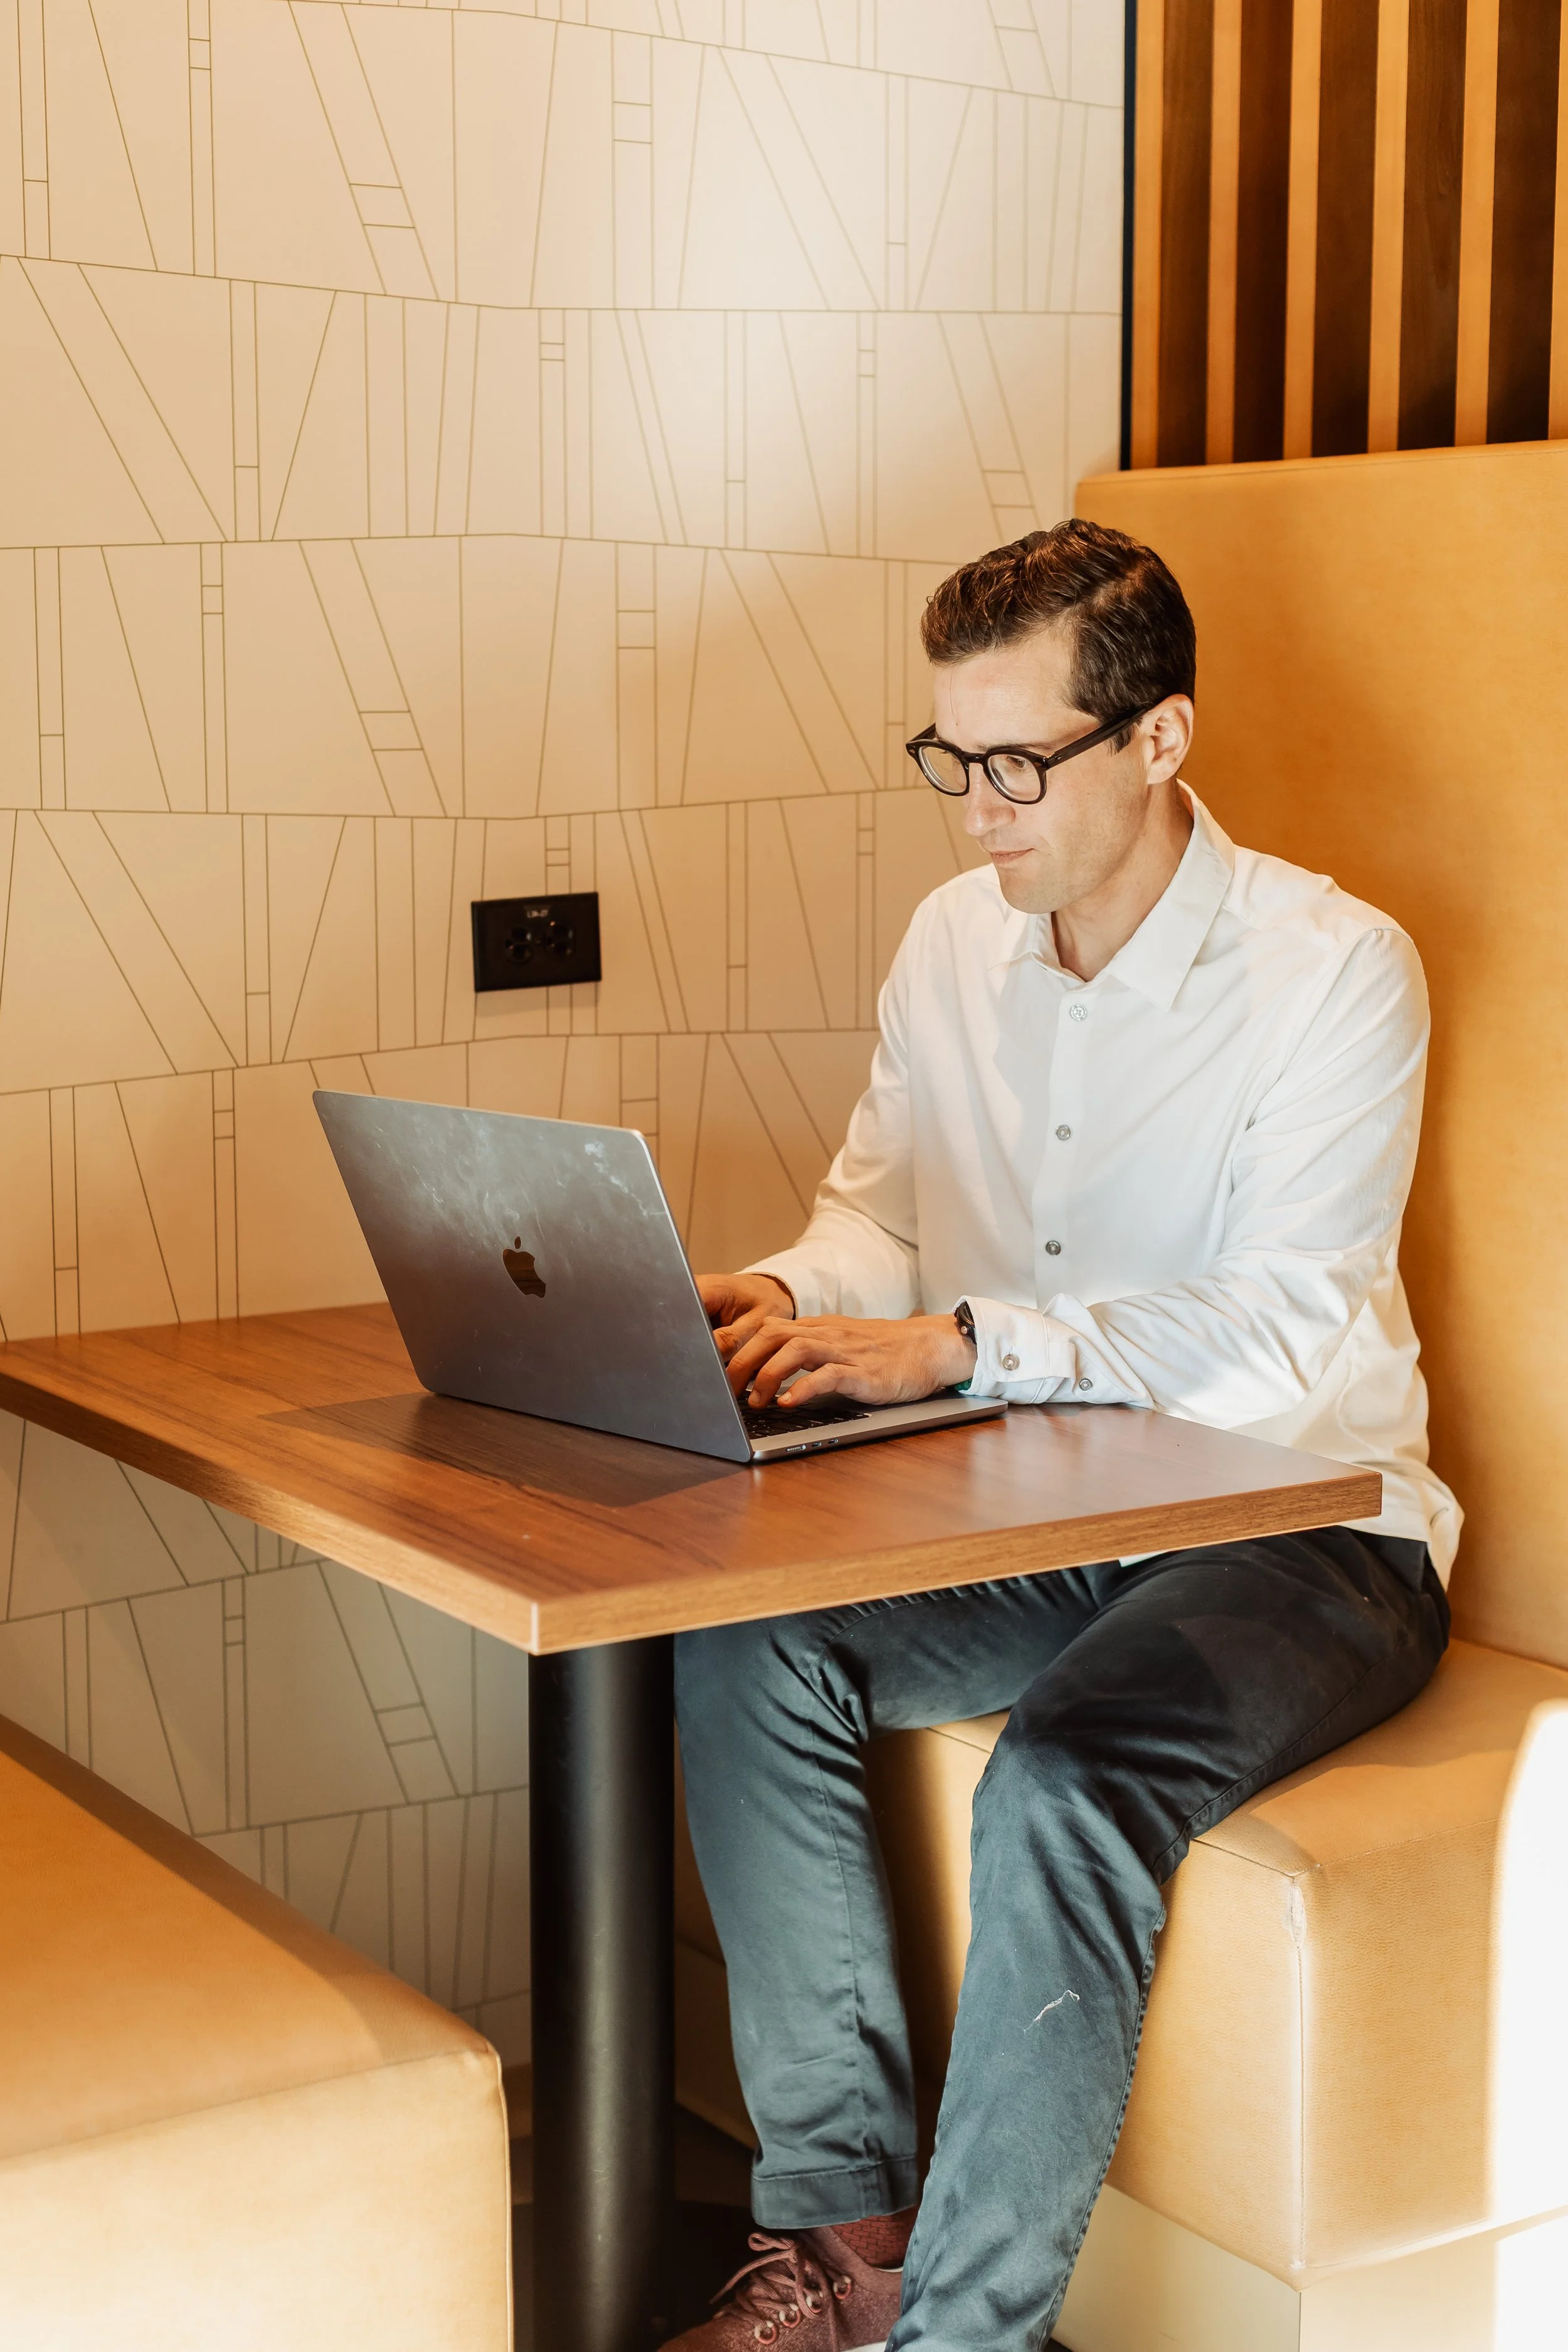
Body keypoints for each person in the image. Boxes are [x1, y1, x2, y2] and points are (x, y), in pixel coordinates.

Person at [667, 520, 1458, 2352]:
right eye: (950, 758)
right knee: (735, 1633)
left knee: (1069, 1772)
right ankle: (843, 2246)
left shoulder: (1336, 968)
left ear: (1159, 739)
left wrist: (954, 1343)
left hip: (1304, 1529)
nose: (974, 812)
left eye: (1015, 764)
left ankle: (969, 2332)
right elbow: (880, 1203)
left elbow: (1291, 1321)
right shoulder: (956, 939)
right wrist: (788, 1293)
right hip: (1041, 1510)